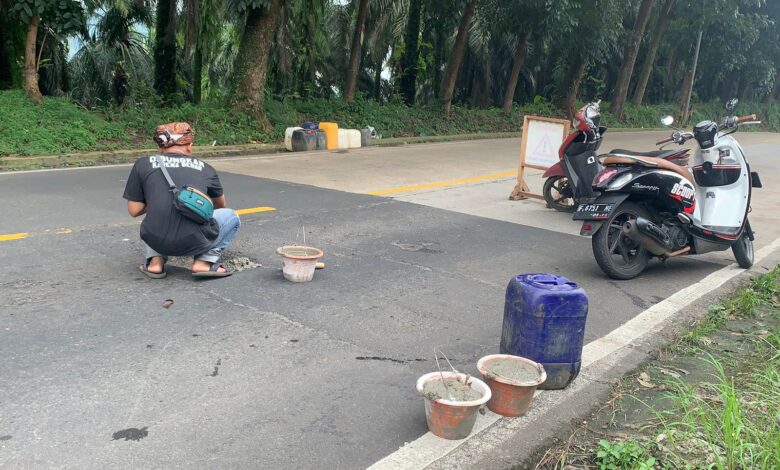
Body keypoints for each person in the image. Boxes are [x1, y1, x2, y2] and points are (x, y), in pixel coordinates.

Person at [123, 122, 240, 278]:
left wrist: (155, 197)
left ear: (161, 146)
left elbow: (134, 210)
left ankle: (155, 263)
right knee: (231, 215)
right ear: (189, 146)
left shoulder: (142, 164)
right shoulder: (206, 168)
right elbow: (220, 206)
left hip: (155, 239)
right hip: (193, 241)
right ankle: (204, 262)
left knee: (158, 212)